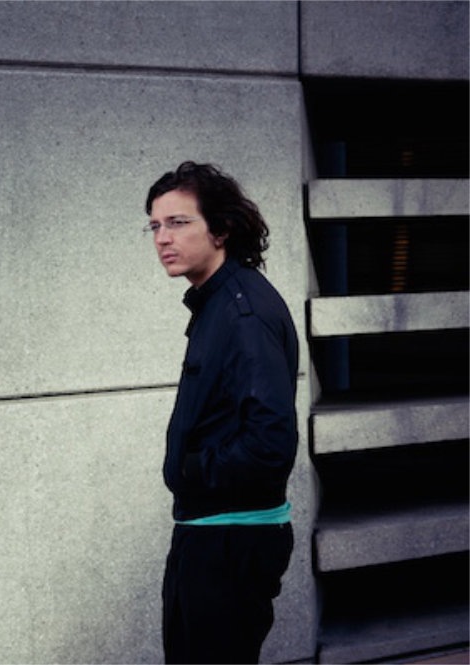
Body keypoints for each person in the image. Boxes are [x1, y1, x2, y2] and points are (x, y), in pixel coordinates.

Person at [145, 162, 298, 664]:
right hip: (211, 533)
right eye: (155, 225)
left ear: (222, 229)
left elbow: (271, 443)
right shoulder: (218, 303)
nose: (162, 238)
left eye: (178, 222)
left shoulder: (242, 313)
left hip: (229, 540)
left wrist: (193, 469)